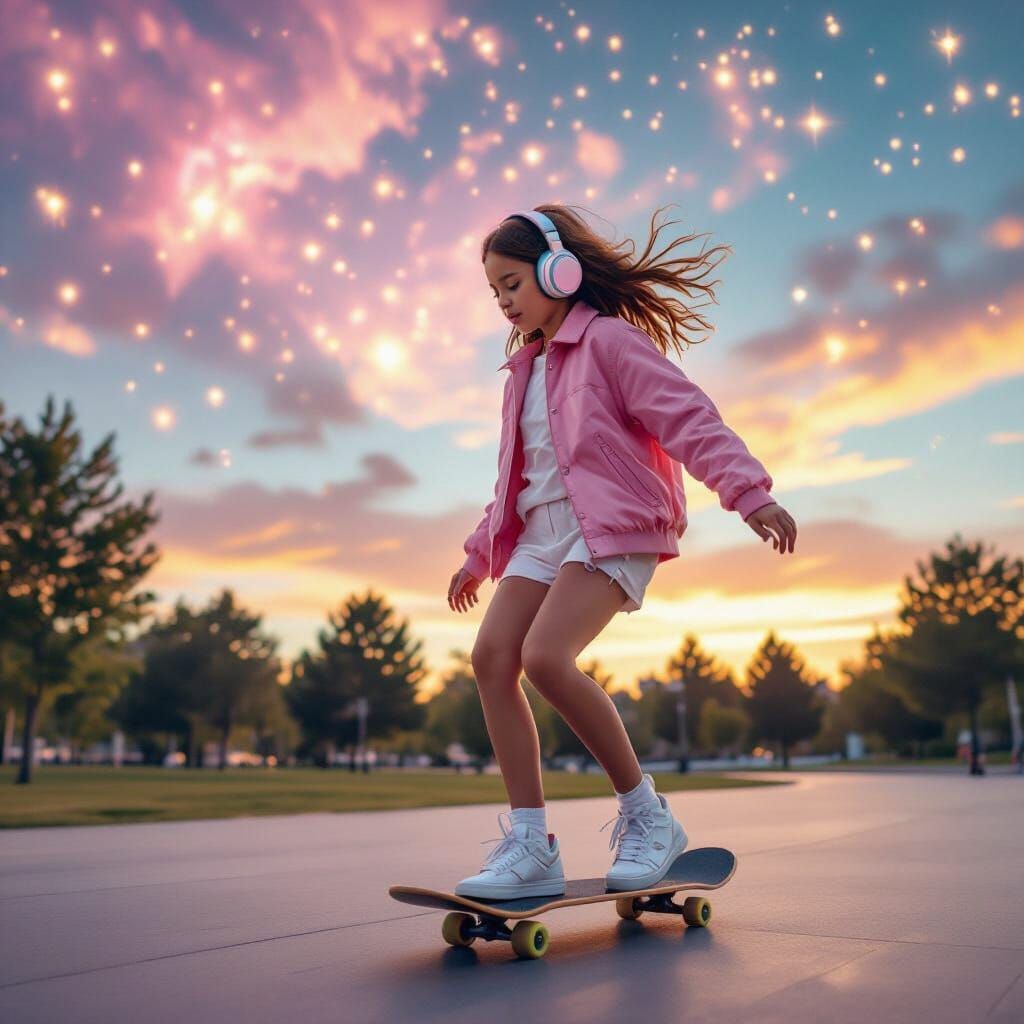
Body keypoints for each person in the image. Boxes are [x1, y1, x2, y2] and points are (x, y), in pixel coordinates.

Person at [447, 204, 798, 900]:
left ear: (559, 270)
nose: (504, 302)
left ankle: (648, 816)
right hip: (541, 533)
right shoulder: (522, 372)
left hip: (611, 526)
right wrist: (479, 554)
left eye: (512, 283)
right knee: (491, 658)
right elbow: (514, 477)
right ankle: (531, 844)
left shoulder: (610, 342)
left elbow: (687, 416)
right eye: (494, 291)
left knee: (546, 658)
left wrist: (749, 492)